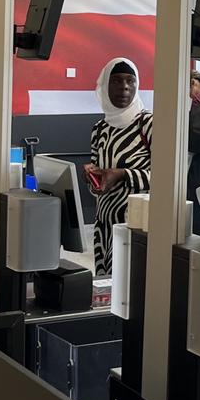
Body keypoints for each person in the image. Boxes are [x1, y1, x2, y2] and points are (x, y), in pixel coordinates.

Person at [86, 58, 154, 276]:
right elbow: (99, 178)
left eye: (130, 81)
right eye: (116, 81)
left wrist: (123, 174)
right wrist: (93, 180)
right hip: (104, 226)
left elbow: (167, 178)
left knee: (130, 288)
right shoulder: (100, 128)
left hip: (135, 226)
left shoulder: (149, 124)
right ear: (105, 86)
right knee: (106, 289)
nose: (124, 87)